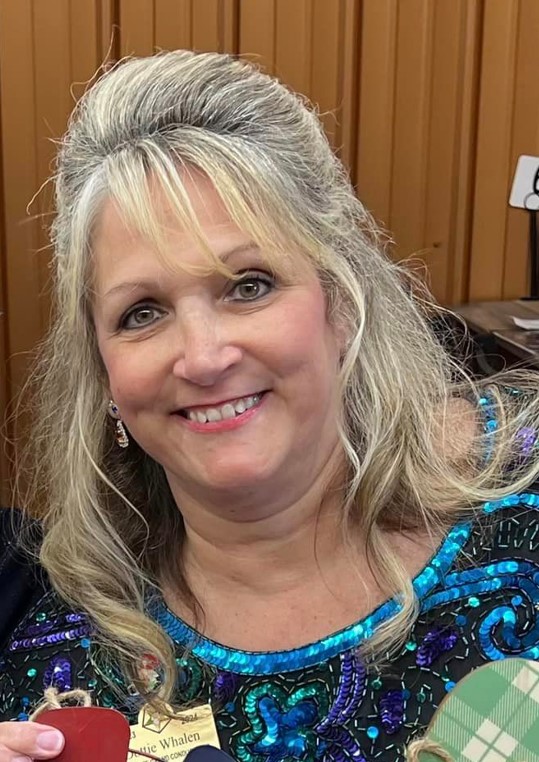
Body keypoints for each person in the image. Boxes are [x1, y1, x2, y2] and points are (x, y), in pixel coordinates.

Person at [0, 49, 539, 762]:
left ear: (340, 303)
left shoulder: (524, 495)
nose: (203, 356)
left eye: (248, 285)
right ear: (104, 378)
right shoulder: (63, 680)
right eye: (142, 313)